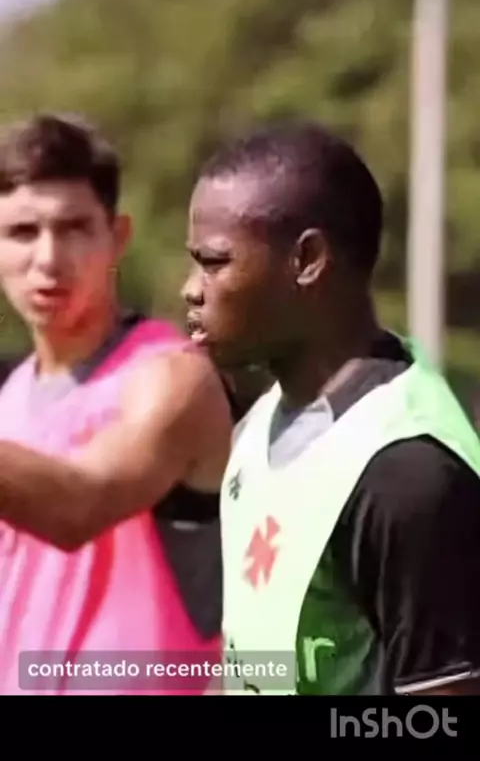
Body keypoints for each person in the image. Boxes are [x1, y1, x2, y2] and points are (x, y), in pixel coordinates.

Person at [183, 119, 480, 696]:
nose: (191, 288)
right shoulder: (264, 420)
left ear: (308, 260)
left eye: (214, 262)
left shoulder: (408, 475)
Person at [0, 113, 233, 695]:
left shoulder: (173, 378)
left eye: (74, 228)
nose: (48, 258)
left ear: (118, 236)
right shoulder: (9, 398)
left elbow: (79, 505)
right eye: (22, 232)